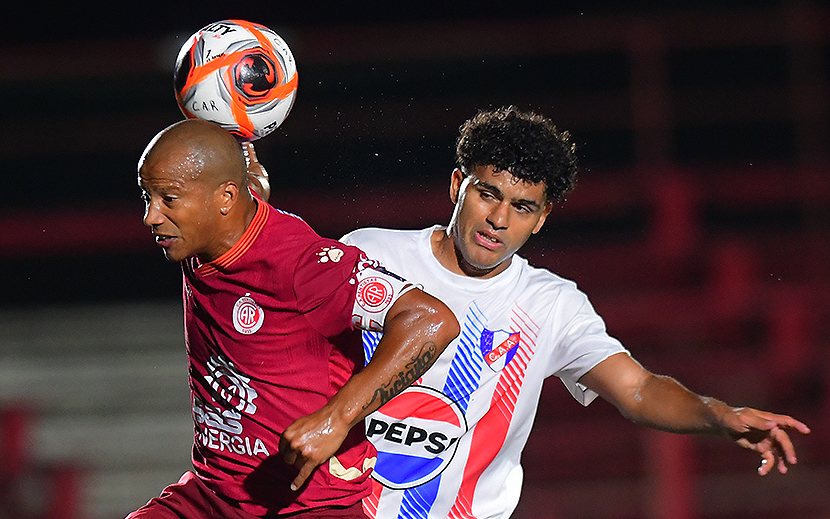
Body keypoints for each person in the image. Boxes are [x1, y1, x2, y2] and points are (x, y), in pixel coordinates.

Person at [333, 106, 811, 518]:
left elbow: (638, 389)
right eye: (488, 194)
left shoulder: (550, 305)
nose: (499, 219)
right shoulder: (370, 255)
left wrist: (717, 415)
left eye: (523, 207)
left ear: (542, 218)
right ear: (458, 185)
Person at [128, 118, 460, 519]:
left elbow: (430, 321)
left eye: (168, 198)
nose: (151, 216)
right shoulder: (205, 234)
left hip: (307, 506)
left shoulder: (304, 264)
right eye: (147, 196)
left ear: (226, 197)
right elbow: (244, 189)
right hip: (211, 497)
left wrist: (336, 419)